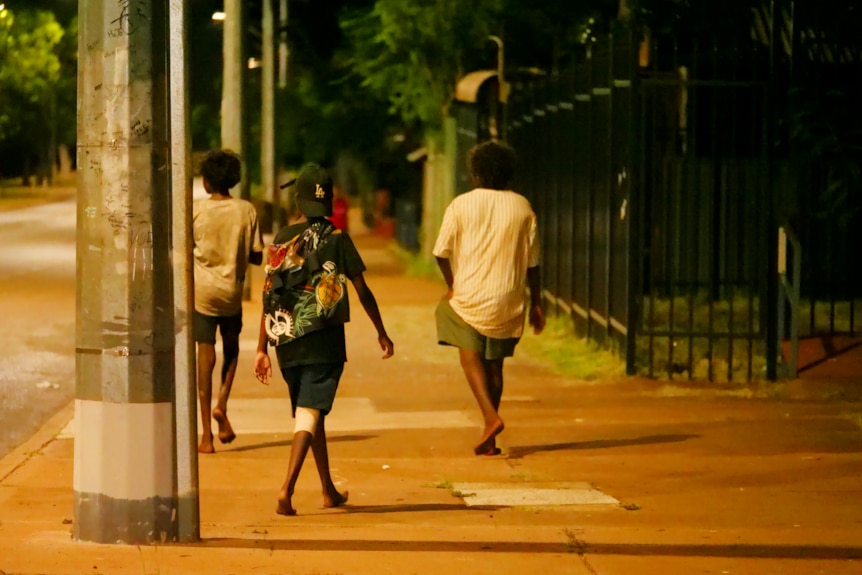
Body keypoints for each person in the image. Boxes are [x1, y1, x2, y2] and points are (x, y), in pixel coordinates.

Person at [253, 163, 394, 516]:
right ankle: (287, 488)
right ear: (327, 200)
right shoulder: (337, 238)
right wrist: (381, 331)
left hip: (285, 338)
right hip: (324, 338)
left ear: (298, 199)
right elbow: (362, 289)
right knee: (310, 411)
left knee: (312, 412)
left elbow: (269, 293)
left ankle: (328, 490)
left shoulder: (283, 237)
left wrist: (261, 348)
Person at [432, 140, 545, 456]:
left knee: (465, 344)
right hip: (509, 297)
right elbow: (533, 261)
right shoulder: (523, 206)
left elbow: (440, 252)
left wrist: (452, 284)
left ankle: (491, 417)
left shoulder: (461, 204)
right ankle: (490, 438)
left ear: (476, 173)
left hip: (469, 295)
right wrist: (536, 303)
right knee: (495, 367)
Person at [193, 149, 264, 454]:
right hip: (231, 294)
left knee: (205, 355)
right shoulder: (246, 210)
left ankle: (206, 436)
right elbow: (258, 255)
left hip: (202, 295)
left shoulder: (195, 211)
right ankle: (222, 403)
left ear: (207, 182)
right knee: (231, 350)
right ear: (233, 180)